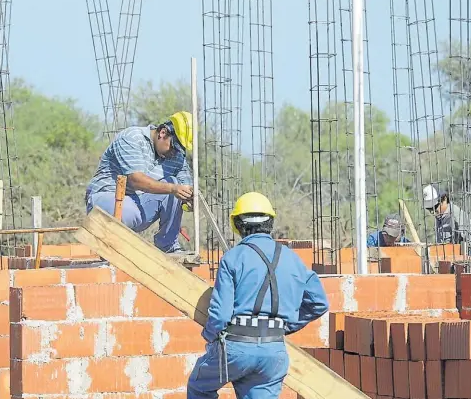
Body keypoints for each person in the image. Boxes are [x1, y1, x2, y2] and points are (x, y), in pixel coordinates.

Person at [187, 192, 329, 399]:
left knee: (199, 387)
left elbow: (220, 314)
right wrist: (286, 325)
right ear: (270, 222)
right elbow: (319, 303)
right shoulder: (293, 259)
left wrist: (210, 336)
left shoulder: (233, 258)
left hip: (236, 347)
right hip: (274, 351)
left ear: (237, 224)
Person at [85, 111, 197, 260]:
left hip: (134, 207)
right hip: (105, 201)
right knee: (172, 187)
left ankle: (168, 246)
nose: (174, 153)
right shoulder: (132, 138)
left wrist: (188, 199)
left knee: (174, 184)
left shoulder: (176, 157)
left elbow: (185, 186)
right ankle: (115, 244)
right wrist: (174, 189)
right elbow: (136, 180)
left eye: (180, 150)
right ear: (163, 132)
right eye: (174, 147)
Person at [422, 184, 471, 249]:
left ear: (444, 199)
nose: (433, 212)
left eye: (435, 207)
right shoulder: (440, 216)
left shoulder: (456, 215)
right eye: (430, 209)